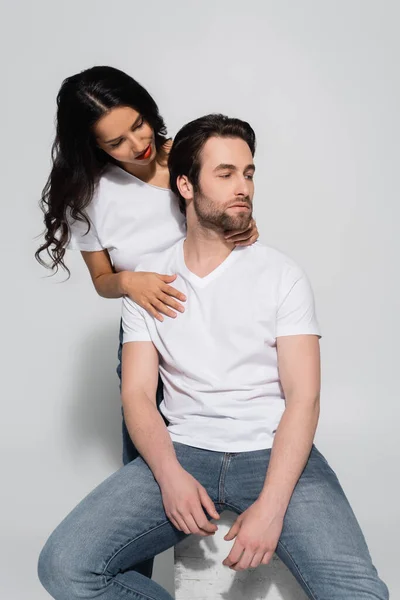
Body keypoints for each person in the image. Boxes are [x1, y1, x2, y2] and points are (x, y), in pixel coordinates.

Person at [38, 114, 389, 600]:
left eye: (247, 173)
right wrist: (168, 475)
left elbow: (303, 398)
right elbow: (138, 394)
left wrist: (270, 507)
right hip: (184, 451)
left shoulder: (281, 275)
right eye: (224, 174)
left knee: (360, 594)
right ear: (185, 185)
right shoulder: (150, 282)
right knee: (65, 566)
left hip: (272, 452)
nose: (242, 185)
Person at [35, 65, 259, 467]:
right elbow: (102, 280)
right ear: (94, 145)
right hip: (150, 321)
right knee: (147, 446)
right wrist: (130, 282)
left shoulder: (188, 155)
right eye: (116, 141)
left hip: (219, 312)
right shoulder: (89, 196)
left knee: (236, 428)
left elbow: (231, 205)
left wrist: (243, 226)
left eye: (139, 124)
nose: (138, 143)